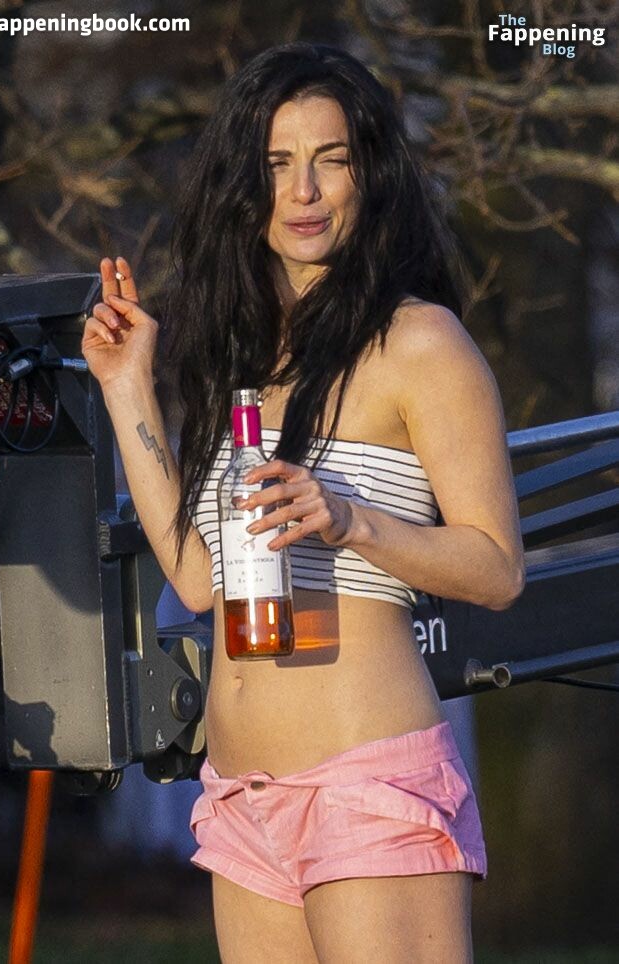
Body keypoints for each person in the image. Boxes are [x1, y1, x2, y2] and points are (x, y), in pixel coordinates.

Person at [82, 42, 525, 964]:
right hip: (241, 798)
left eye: (331, 159)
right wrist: (129, 391)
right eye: (278, 163)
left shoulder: (419, 341)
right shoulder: (240, 357)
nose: (305, 191)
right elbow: (198, 583)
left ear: (369, 174)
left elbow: (495, 568)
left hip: (364, 781)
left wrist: (351, 518)